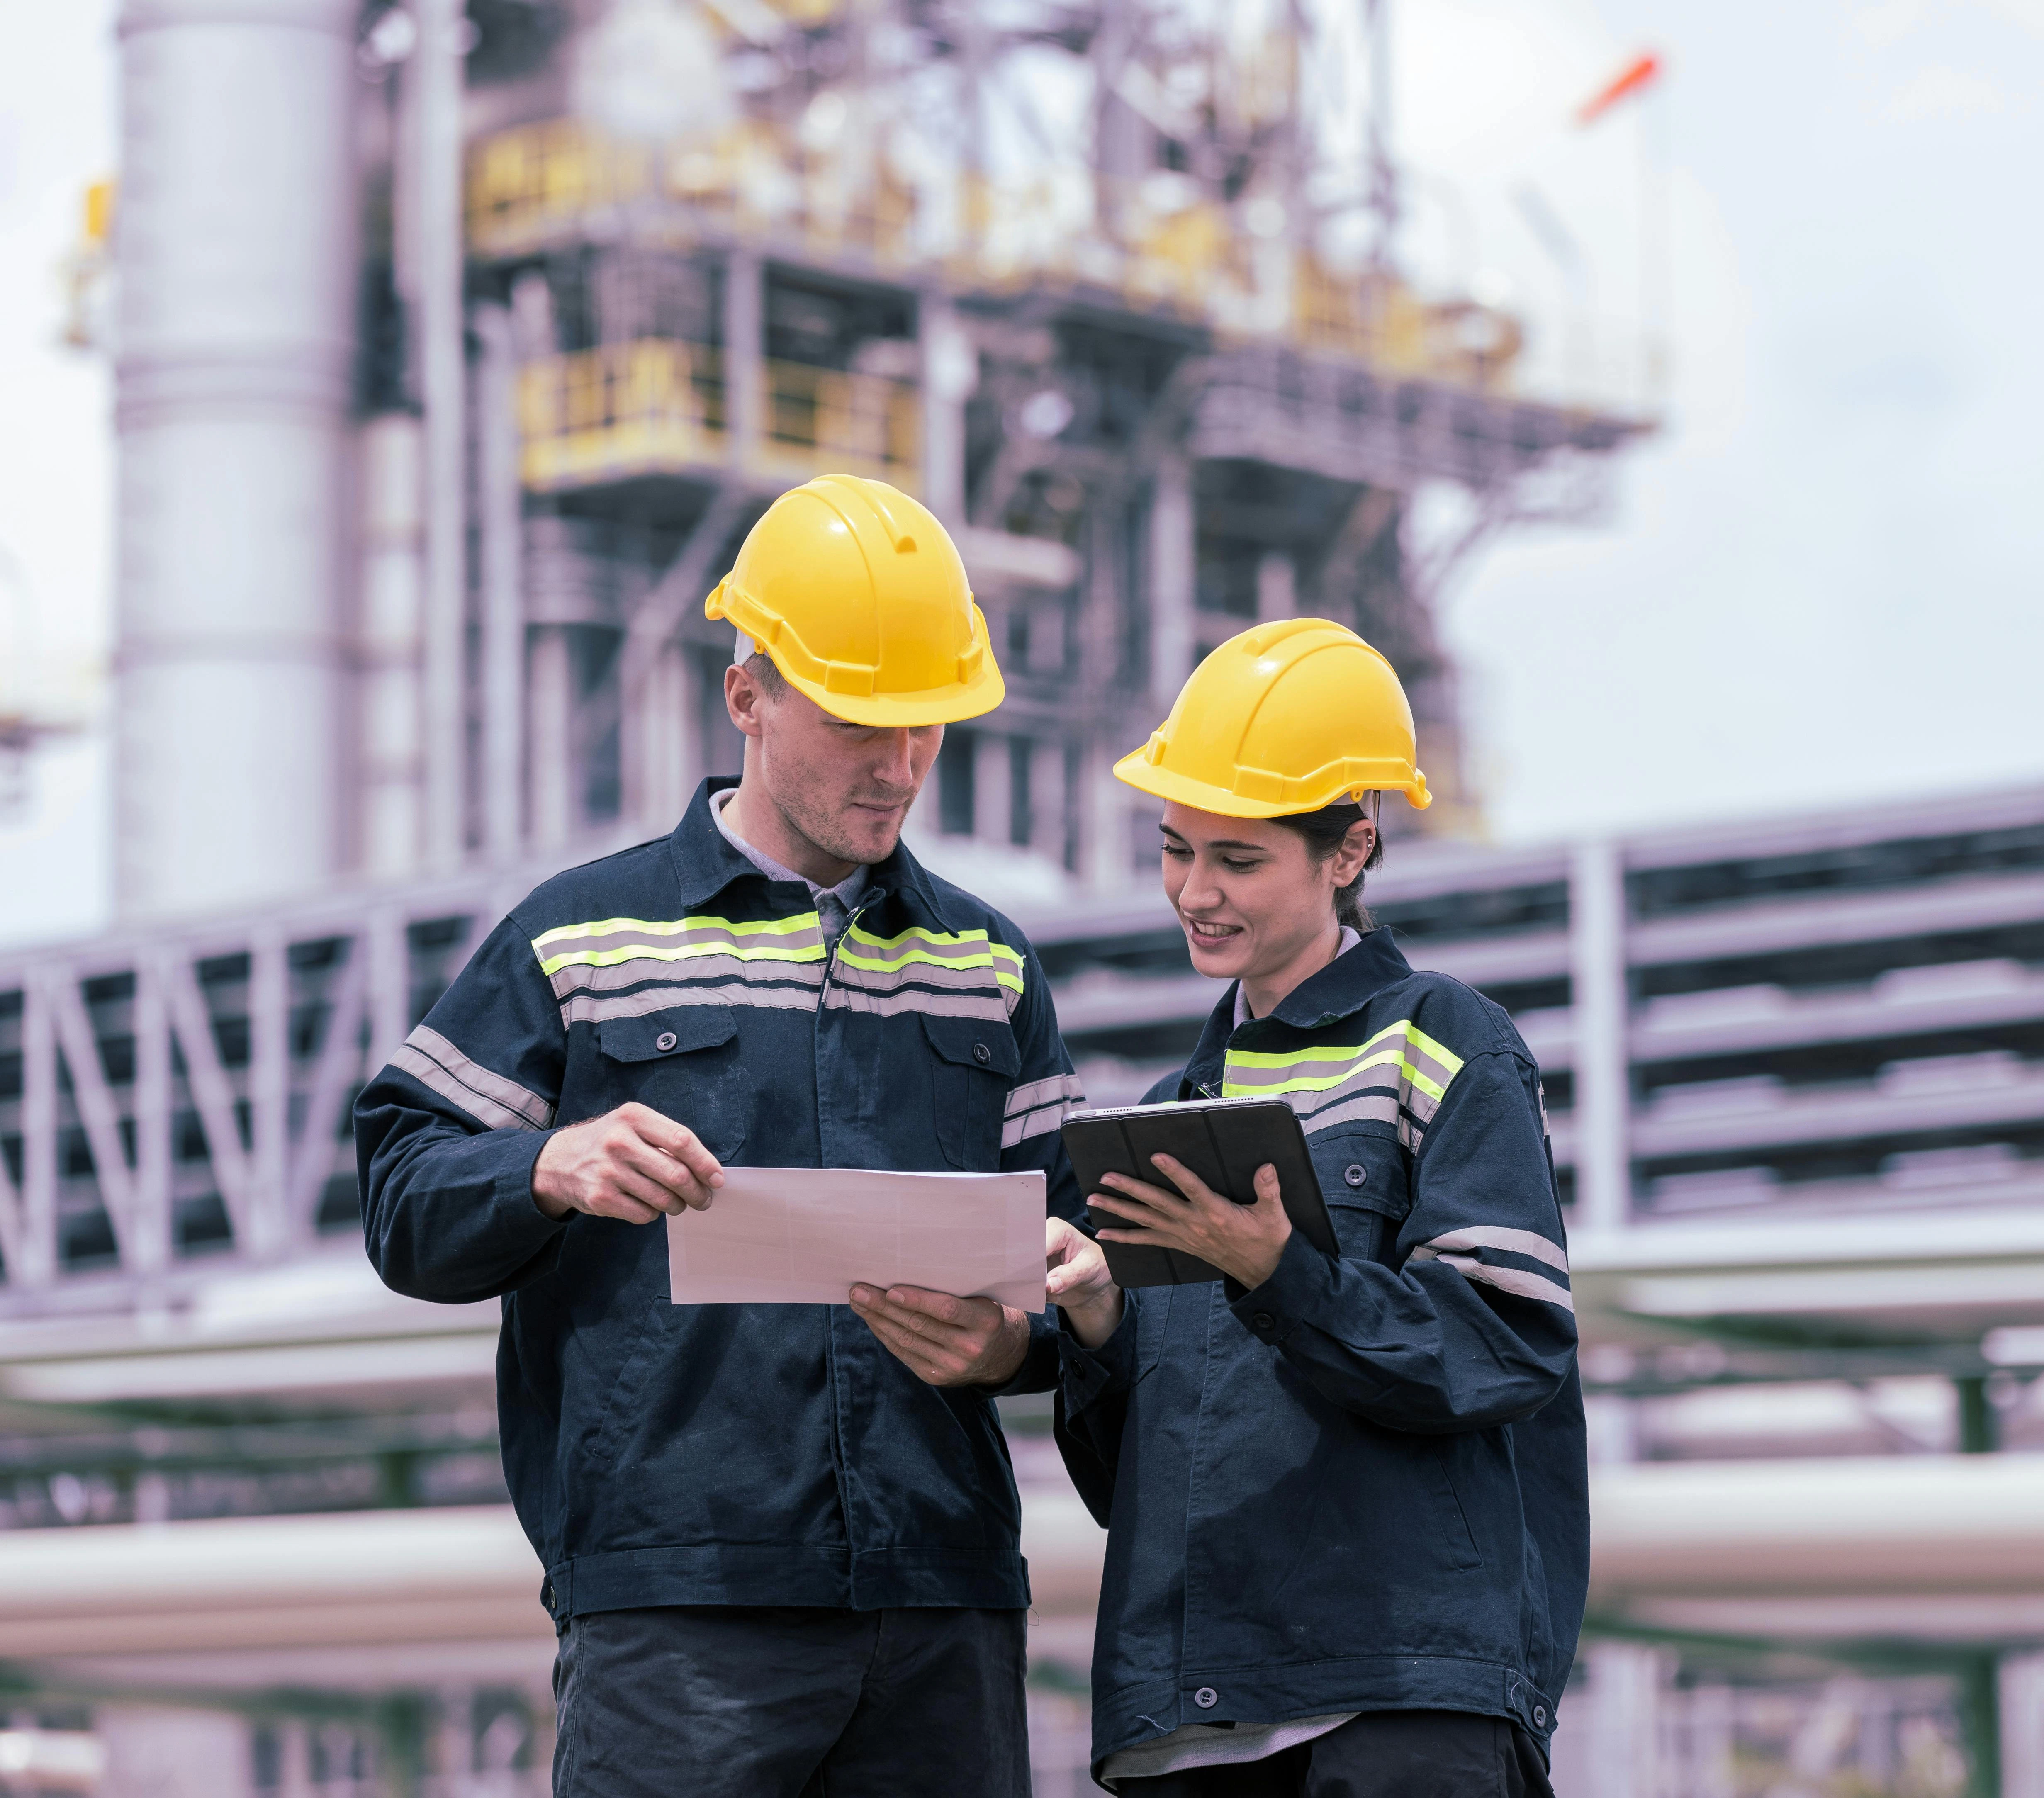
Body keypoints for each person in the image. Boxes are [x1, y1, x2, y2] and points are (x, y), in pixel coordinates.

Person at [355, 474, 1087, 1798]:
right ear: (746, 695)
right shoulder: (581, 937)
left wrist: (1015, 1340)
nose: (899, 764)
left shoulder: (988, 965)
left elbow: (1079, 1258)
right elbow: (403, 1197)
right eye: (861, 719)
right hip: (678, 1608)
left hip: (940, 1596)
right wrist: (545, 1166)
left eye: (925, 723)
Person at [1041, 618, 1587, 1798]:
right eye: (1175, 850)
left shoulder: (1445, 1046)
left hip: (1397, 1698)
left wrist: (1282, 1271)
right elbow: (1138, 1473)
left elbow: (1501, 1346)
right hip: (1190, 1713)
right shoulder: (1167, 1111)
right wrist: (1093, 1323)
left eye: (1238, 860)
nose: (1195, 892)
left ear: (1350, 848)